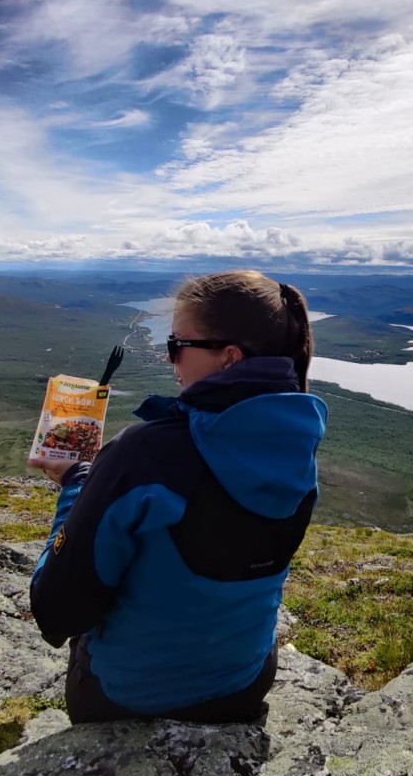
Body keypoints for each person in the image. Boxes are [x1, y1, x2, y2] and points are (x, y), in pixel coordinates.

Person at [28, 270, 328, 724]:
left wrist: (77, 484)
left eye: (177, 345)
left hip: (127, 699)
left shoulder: (142, 456)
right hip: (246, 683)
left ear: (229, 357)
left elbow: (56, 610)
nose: (172, 362)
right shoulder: (297, 447)